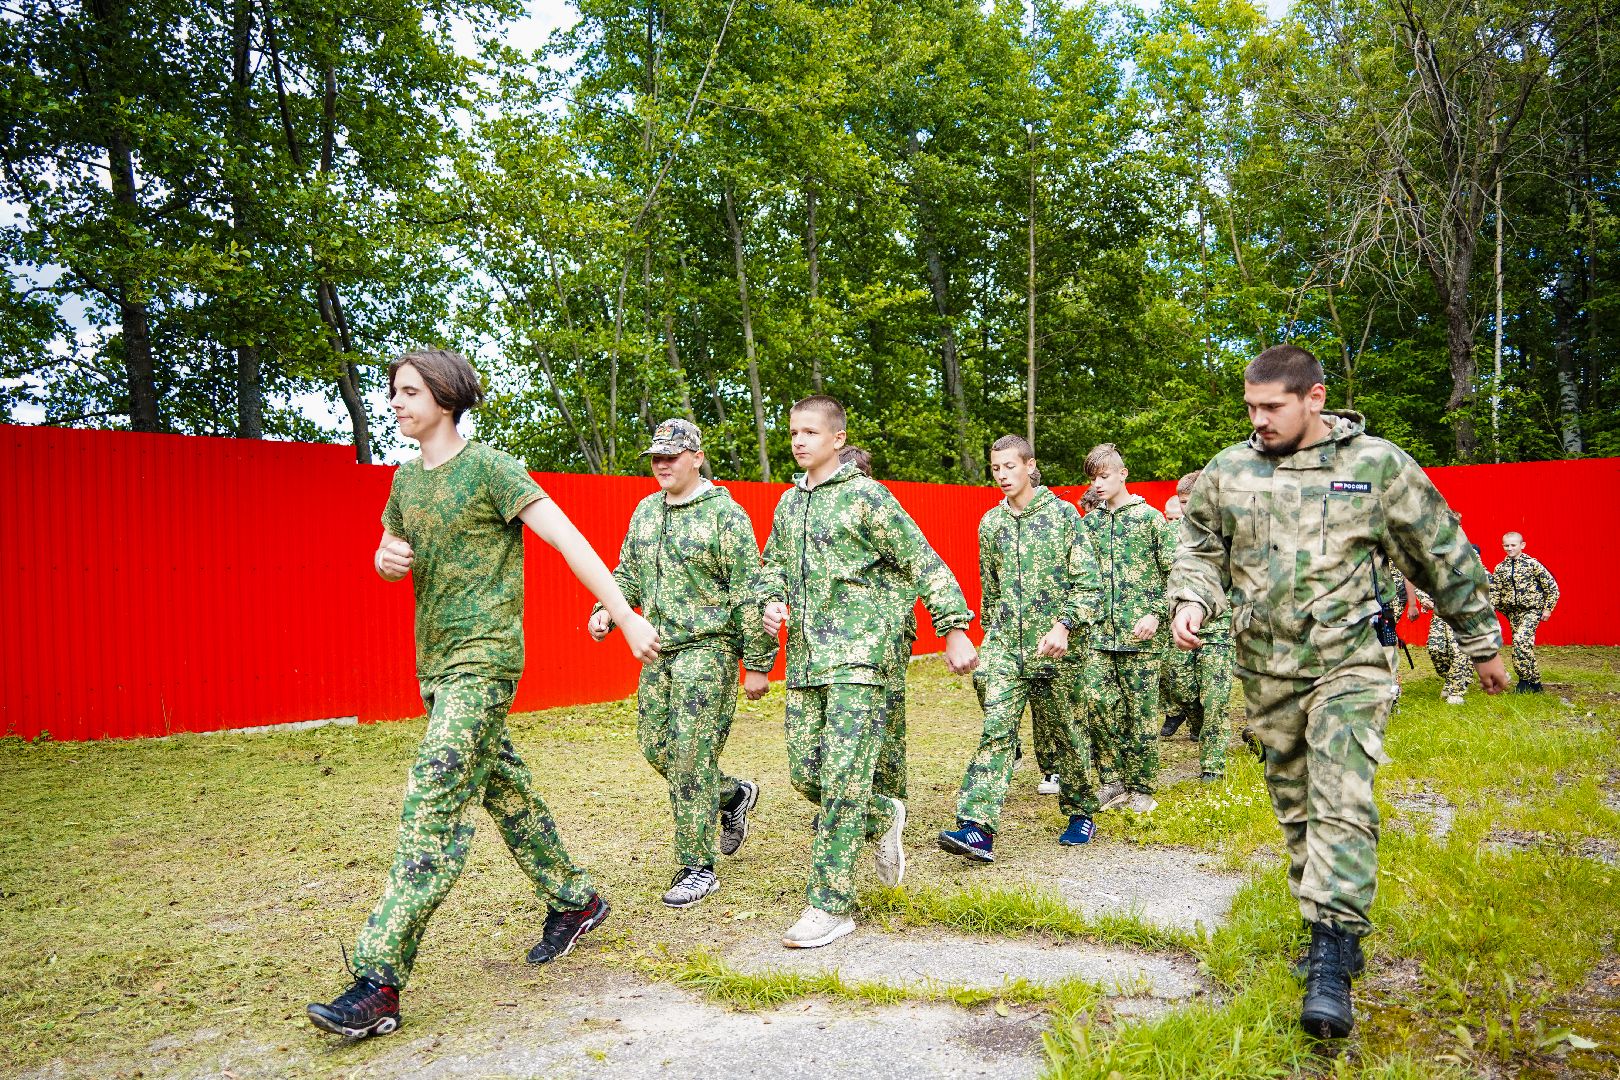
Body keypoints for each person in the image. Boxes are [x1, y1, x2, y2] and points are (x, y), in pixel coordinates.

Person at [307, 349, 660, 1040]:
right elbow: (390, 553)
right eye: (394, 392)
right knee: (504, 787)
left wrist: (626, 614)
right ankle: (575, 898)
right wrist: (384, 560)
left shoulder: (491, 469)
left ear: (445, 395)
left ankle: (378, 980)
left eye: (410, 391)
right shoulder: (406, 482)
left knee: (432, 804)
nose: (397, 402)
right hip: (434, 668)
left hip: (485, 662)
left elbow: (567, 539)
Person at [1169, 344, 1507, 1040]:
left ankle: (1331, 952)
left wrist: (1481, 642)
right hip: (1266, 668)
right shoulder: (1230, 472)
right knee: (1296, 803)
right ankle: (1330, 921)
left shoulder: (1376, 466)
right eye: (1250, 408)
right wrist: (1192, 600)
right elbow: (1199, 545)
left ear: (1314, 399)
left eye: (1272, 407)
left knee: (1341, 794)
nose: (1257, 420)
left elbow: (1440, 550)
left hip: (1350, 662)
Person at [760, 395, 977, 949]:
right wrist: (771, 601)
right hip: (807, 660)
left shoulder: (867, 498)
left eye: (810, 432)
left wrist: (952, 627)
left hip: (861, 654)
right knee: (806, 775)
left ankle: (828, 905)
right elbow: (773, 570)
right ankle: (885, 813)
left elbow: (922, 559)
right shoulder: (789, 506)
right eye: (792, 433)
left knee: (841, 781)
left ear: (837, 439)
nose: (799, 441)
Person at [588, 419, 775, 909]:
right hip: (658, 649)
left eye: (673, 455)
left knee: (690, 756)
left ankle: (697, 867)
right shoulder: (646, 511)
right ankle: (733, 796)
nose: (663, 464)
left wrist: (756, 661)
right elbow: (626, 571)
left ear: (696, 457)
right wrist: (608, 609)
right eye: (656, 457)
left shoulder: (724, 515)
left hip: (708, 651)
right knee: (656, 748)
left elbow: (749, 593)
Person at [939, 436, 1101, 863]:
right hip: (1009, 648)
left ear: (1030, 465)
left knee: (1067, 733)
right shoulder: (990, 525)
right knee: (996, 732)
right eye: (996, 469)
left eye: (1010, 466)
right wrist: (990, 640)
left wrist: (1064, 626)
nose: (1003, 475)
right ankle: (977, 828)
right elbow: (989, 593)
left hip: (1060, 649)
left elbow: (1089, 585)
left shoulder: (1064, 516)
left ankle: (1082, 810)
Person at [1078, 443, 1174, 814]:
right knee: (1097, 703)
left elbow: (1175, 574)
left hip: (1142, 636)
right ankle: (1113, 780)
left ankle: (1142, 786)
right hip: (1099, 635)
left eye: (1104, 476)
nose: (1098, 484)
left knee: (1142, 712)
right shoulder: (1089, 524)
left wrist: (1156, 613)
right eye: (1092, 478)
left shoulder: (1150, 519)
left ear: (1122, 474)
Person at [838, 445, 918, 837]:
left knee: (888, 714)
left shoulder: (878, 508)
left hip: (889, 631)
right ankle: (858, 799)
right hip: (849, 638)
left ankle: (890, 798)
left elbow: (911, 567)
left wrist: (890, 621)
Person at [1158, 470, 1235, 781]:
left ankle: (1212, 765)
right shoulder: (1170, 535)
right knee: (1179, 684)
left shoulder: (1227, 533)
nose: (1187, 510)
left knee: (1215, 697)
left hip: (1219, 627)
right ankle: (1196, 721)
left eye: (1191, 502)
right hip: (1181, 627)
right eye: (1182, 503)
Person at [1490, 532, 1560, 693]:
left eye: (1513, 545)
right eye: (1506, 545)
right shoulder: (1500, 568)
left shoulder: (1532, 564)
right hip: (1513, 613)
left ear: (1522, 545)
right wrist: (1490, 610)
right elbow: (1495, 592)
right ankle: (1533, 683)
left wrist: (1548, 608)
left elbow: (1552, 587)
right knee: (1520, 647)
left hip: (1532, 611)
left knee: (1521, 641)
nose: (1509, 548)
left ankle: (1525, 681)